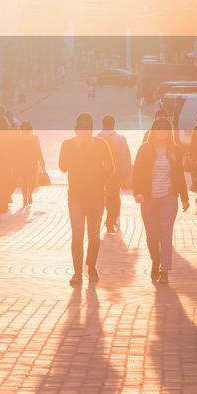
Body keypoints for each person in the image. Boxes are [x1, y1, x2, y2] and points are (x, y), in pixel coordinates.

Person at [132, 117, 190, 285]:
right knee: (152, 234)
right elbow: (137, 173)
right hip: (148, 199)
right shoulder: (145, 149)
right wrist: (138, 193)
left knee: (165, 234)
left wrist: (184, 198)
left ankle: (165, 270)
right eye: (159, 128)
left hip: (168, 198)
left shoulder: (175, 150)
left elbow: (179, 174)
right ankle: (155, 260)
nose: (162, 132)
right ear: (154, 130)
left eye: (165, 128)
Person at [58, 112, 114, 286]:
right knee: (77, 234)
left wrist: (101, 183)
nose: (85, 132)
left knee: (94, 235)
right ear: (76, 130)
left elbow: (111, 167)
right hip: (76, 196)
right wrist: (76, 148)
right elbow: (62, 167)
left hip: (96, 196)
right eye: (82, 129)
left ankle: (91, 266)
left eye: (88, 129)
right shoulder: (68, 144)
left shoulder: (100, 144)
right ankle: (77, 272)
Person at [97, 115, 133, 235]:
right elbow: (124, 157)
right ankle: (112, 220)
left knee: (102, 197)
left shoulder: (97, 138)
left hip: (100, 174)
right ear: (113, 124)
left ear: (102, 124)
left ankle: (100, 219)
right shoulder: (119, 138)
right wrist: (126, 174)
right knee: (114, 196)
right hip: (115, 173)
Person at [16, 121, 46, 206]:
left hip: (22, 163)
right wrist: (42, 163)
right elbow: (39, 151)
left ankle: (25, 198)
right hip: (32, 163)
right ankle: (29, 194)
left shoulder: (19, 138)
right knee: (32, 181)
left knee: (24, 181)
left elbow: (16, 152)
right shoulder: (34, 138)